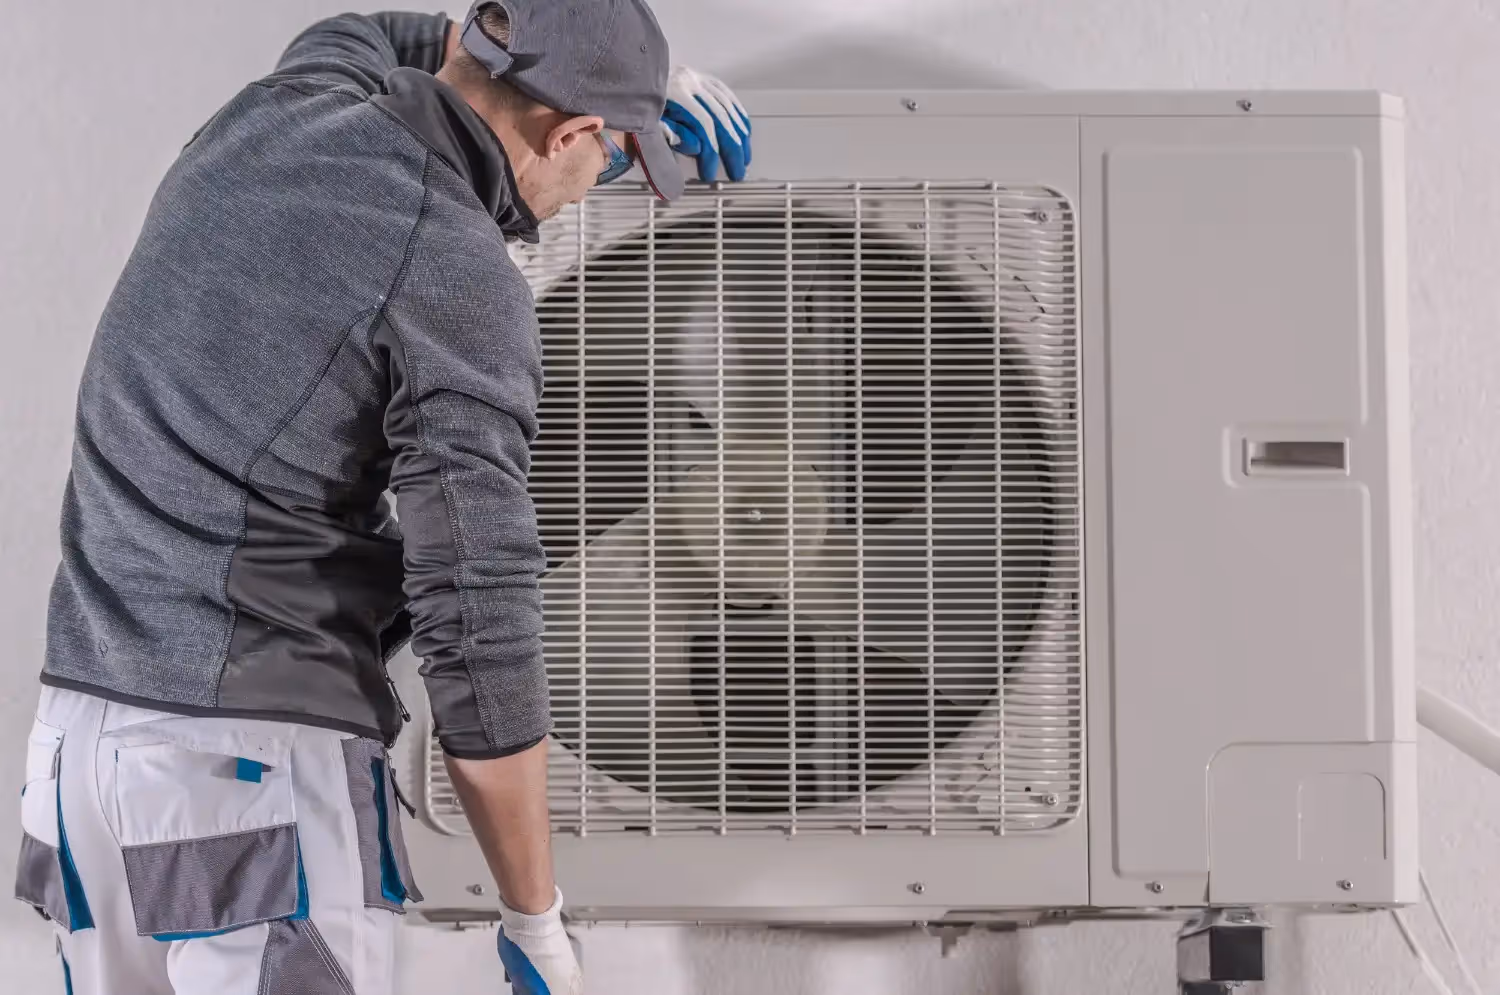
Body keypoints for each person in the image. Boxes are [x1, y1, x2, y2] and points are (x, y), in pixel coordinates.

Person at [12, 2, 750, 993]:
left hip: (77, 751)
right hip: (250, 782)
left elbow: (384, 32)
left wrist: (623, 75)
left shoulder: (288, 100)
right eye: (615, 154)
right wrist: (536, 917)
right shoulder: (455, 268)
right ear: (568, 132)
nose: (597, 184)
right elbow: (478, 625)